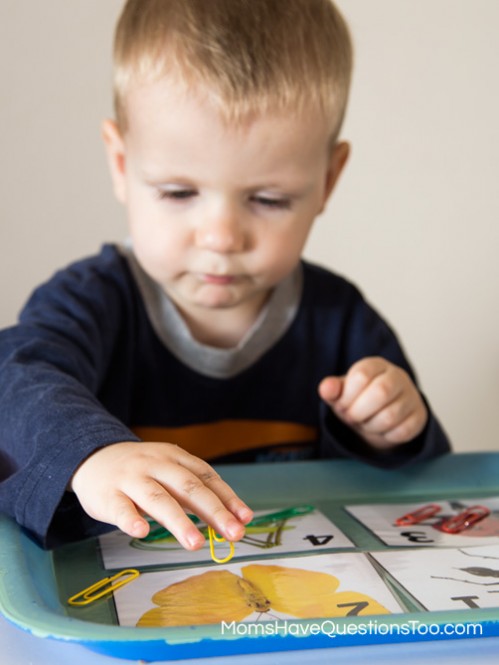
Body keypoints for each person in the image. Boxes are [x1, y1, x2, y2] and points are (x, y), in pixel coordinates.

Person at [0, 0, 450, 550]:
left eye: (267, 199)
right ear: (121, 165)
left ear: (327, 181)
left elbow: (420, 486)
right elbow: (14, 383)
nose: (220, 237)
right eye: (179, 192)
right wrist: (94, 453)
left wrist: (392, 430)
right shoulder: (89, 301)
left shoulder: (341, 319)